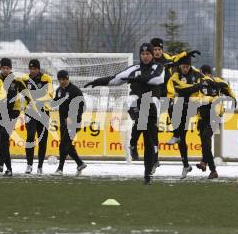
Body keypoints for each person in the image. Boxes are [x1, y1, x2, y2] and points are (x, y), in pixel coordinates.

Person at [85, 43, 164, 185]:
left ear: (152, 55)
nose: (145, 56)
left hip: (151, 103)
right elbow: (116, 79)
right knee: (137, 113)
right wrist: (97, 81)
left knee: (149, 140)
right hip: (136, 101)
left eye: (148, 54)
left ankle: (147, 174)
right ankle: (133, 145)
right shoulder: (134, 68)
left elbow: (157, 79)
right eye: (143, 54)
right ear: (140, 55)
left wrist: (138, 78)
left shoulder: (158, 67)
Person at [195, 65, 236, 179]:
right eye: (204, 74)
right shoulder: (200, 83)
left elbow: (227, 87)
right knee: (205, 142)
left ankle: (213, 170)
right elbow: (199, 100)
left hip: (214, 116)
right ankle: (204, 162)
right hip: (202, 117)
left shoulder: (216, 82)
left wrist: (233, 97)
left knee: (205, 138)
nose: (206, 76)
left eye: (207, 74)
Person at [169, 55, 207, 179]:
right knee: (182, 137)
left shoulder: (197, 73)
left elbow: (204, 84)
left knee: (183, 110)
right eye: (183, 67)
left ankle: (175, 134)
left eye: (187, 67)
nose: (185, 69)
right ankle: (186, 165)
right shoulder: (176, 74)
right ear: (180, 66)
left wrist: (192, 90)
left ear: (190, 66)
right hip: (179, 104)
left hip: (192, 104)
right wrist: (194, 87)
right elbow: (179, 89)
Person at [0, 58, 25, 177]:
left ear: (10, 69)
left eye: (8, 68)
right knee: (3, 141)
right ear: (0, 68)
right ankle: (9, 169)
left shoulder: (16, 80)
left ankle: (1, 163)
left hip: (13, 112)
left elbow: (27, 92)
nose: (6, 70)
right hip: (1, 112)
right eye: (3, 68)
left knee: (3, 136)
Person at [21, 59, 53, 175]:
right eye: (31, 69)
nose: (32, 71)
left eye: (35, 69)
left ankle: (40, 166)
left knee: (42, 139)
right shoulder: (25, 79)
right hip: (30, 111)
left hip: (43, 112)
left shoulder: (46, 79)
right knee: (30, 136)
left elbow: (49, 94)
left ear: (39, 69)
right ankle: (29, 165)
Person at [53, 70, 87, 176]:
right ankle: (80, 163)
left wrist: (72, 118)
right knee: (67, 145)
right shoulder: (59, 90)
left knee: (63, 144)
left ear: (68, 79)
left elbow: (82, 107)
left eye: (64, 79)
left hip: (74, 123)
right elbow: (55, 102)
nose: (62, 81)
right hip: (63, 122)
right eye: (60, 79)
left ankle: (60, 168)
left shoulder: (75, 90)